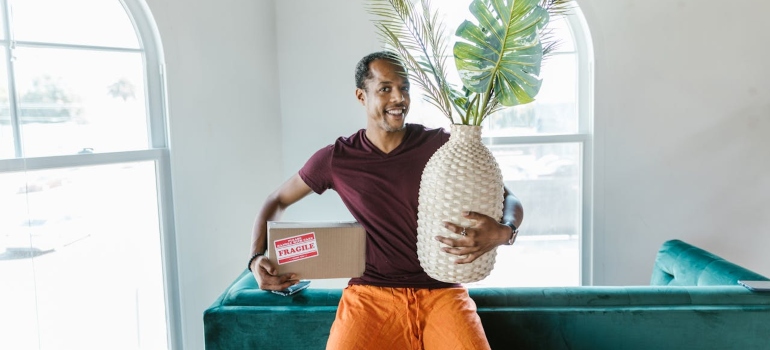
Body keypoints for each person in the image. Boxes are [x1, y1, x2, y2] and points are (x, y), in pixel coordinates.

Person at [248, 51, 524, 350]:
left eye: (404, 88)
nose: (399, 98)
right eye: (385, 88)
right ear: (361, 95)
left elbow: (508, 197)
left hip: (442, 292)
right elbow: (276, 199)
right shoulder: (336, 159)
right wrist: (255, 258)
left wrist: (504, 232)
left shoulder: (441, 146)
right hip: (369, 295)